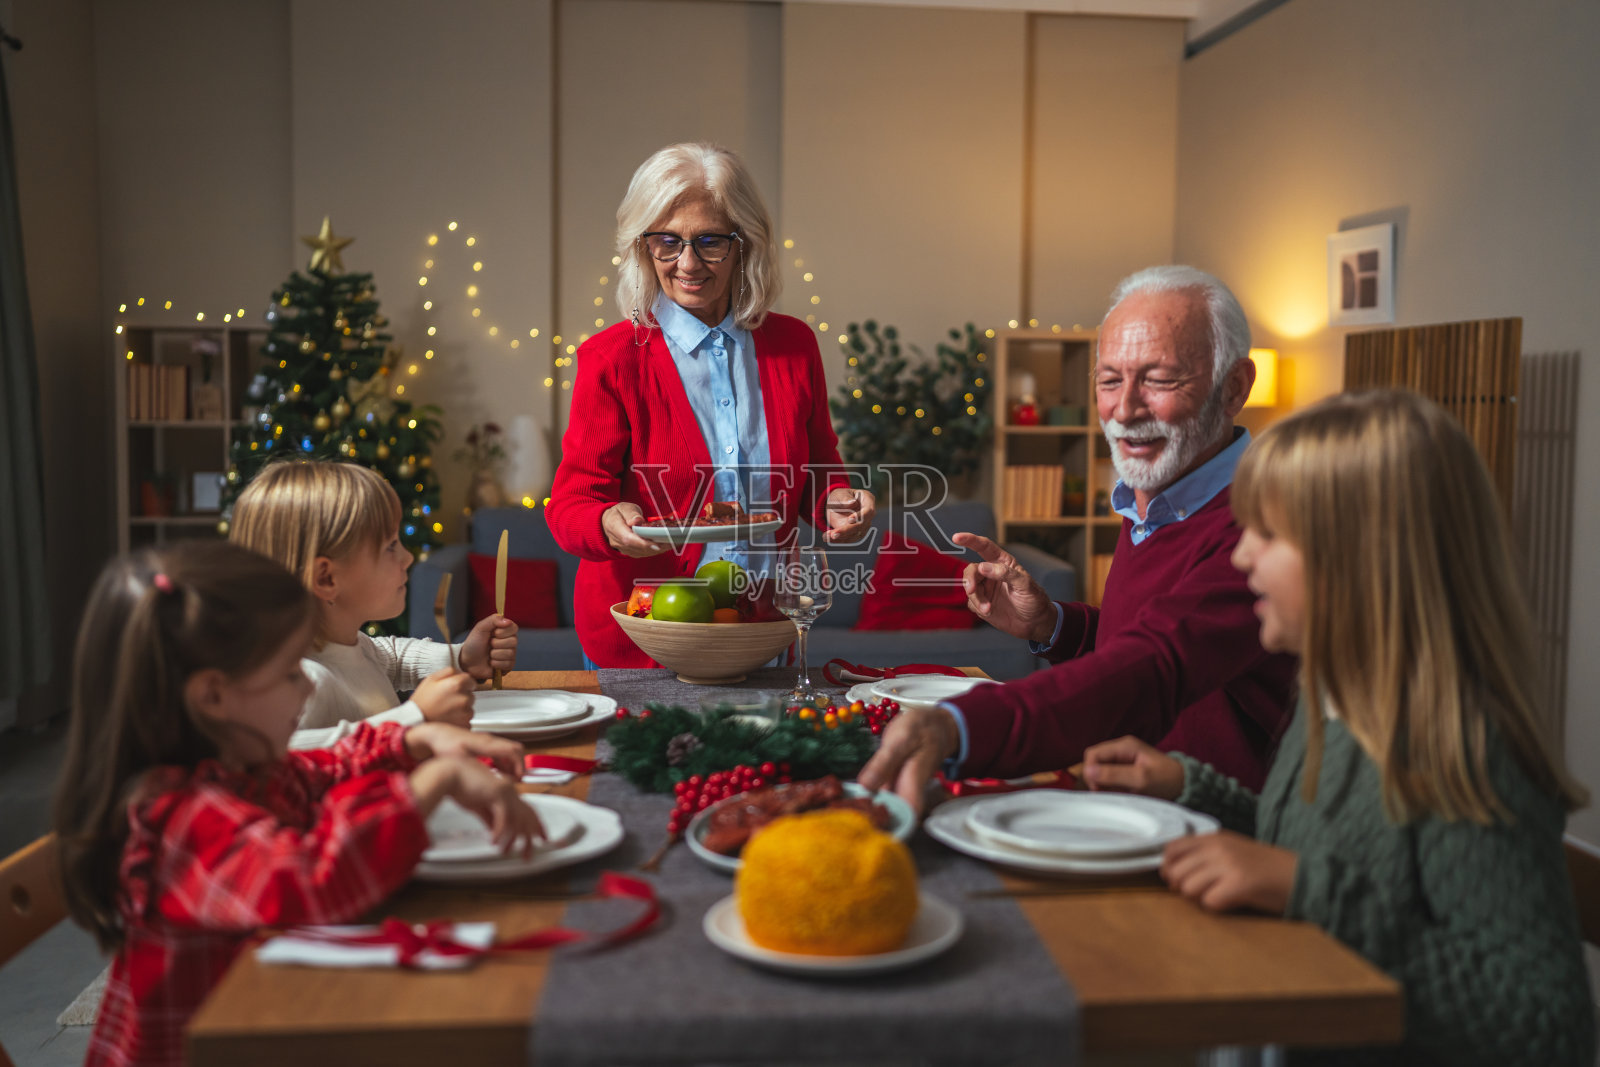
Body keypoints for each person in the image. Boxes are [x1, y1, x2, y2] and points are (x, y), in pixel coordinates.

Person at [1078, 390, 1595, 1066]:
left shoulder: (1464, 747)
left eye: (1268, 534)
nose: (1240, 558)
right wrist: (1188, 787)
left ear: (1360, 555)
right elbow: (1307, 848)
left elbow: (1546, 1022)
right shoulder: (1331, 698)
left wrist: (1304, 892)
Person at [52, 541, 543, 1067]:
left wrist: (413, 743)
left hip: (267, 1019)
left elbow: (319, 770)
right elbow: (309, 878)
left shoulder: (240, 772)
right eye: (290, 675)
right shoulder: (178, 818)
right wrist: (432, 782)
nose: (303, 692)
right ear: (213, 697)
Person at [861, 265, 1296, 810]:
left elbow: (1155, 665)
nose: (1125, 409)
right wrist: (1053, 624)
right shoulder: (1157, 492)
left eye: (1159, 379)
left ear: (1235, 387)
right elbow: (1136, 641)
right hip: (1131, 811)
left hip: (1223, 843)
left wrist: (961, 729)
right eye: (1110, 380)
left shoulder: (1264, 528)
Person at [545, 141, 875, 668]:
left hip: (763, 626)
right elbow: (569, 506)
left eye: (709, 241)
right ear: (643, 247)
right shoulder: (610, 359)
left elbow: (817, 469)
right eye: (667, 243)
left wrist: (837, 502)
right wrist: (608, 518)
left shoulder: (793, 345)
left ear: (744, 243)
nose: (688, 263)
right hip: (646, 637)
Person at [230, 460, 518, 749]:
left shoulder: (349, 647)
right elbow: (285, 757)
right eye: (390, 546)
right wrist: (414, 718)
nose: (407, 558)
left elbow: (387, 656)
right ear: (326, 578)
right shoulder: (309, 681)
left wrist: (462, 658)